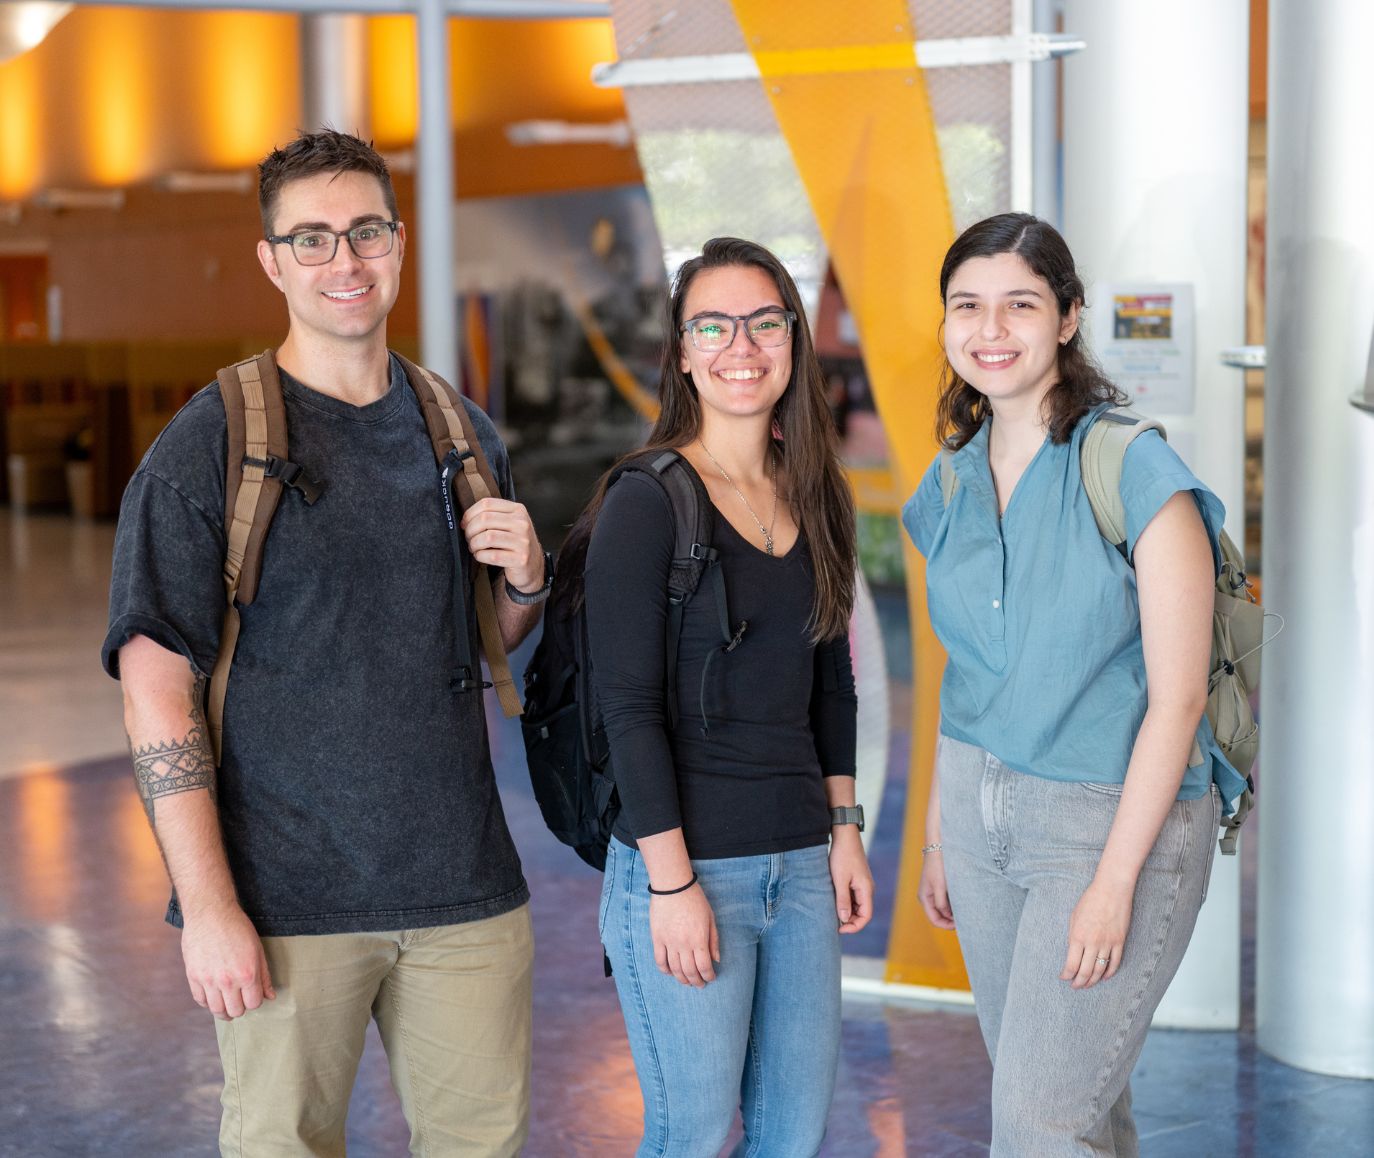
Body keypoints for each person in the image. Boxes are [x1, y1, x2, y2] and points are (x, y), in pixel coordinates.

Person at [102, 130, 549, 1157]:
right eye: (311, 239)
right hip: (286, 900)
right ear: (271, 260)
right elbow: (154, 688)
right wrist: (210, 909)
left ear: (398, 240)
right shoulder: (209, 443)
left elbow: (492, 642)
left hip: (464, 889)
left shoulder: (463, 431)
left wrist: (526, 578)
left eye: (364, 232)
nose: (344, 262)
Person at [903, 213, 1246, 1156]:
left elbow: (1177, 701)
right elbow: (960, 673)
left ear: (1068, 319)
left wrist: (1114, 883)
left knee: (1036, 1123)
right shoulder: (949, 480)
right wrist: (939, 832)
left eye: (1021, 304)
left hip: (1106, 825)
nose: (991, 329)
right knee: (1078, 1109)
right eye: (967, 306)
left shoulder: (1133, 468)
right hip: (979, 818)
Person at [583, 237, 874, 1157]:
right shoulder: (648, 501)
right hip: (690, 867)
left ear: (793, 338)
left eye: (763, 322)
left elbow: (834, 681)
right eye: (712, 325)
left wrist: (846, 828)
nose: (740, 346)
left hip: (801, 867)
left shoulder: (815, 493)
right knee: (692, 1134)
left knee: (791, 1138)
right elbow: (627, 708)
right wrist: (671, 886)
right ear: (681, 351)